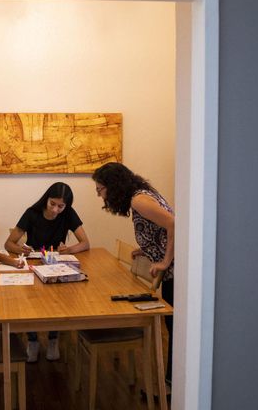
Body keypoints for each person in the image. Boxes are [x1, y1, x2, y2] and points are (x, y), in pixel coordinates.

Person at [92, 162, 175, 388]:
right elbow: (157, 229)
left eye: (100, 190)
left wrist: (166, 261)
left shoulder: (139, 200)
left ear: (113, 185)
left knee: (174, 327)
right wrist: (147, 249)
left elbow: (174, 224)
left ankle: (171, 384)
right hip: (170, 267)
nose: (100, 196)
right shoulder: (139, 196)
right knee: (172, 325)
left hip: (175, 268)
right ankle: (170, 381)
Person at [4, 182, 91, 362]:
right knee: (31, 302)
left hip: (56, 263)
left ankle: (53, 339)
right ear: (46, 199)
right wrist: (22, 249)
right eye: (52, 204)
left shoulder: (68, 214)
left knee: (58, 301)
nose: (56, 210)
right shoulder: (32, 213)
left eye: (61, 206)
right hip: (33, 263)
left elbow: (85, 243)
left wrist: (69, 250)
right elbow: (8, 244)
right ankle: (33, 340)